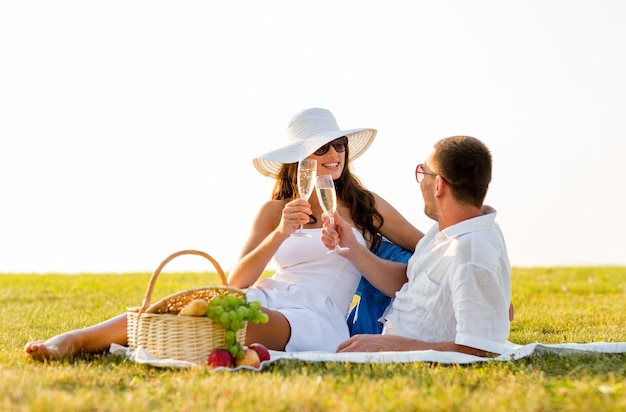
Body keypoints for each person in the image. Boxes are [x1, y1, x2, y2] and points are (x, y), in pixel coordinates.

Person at [24, 107, 423, 360]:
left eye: (337, 145)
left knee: (221, 322)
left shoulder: (365, 205)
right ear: (299, 160)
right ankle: (75, 339)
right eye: (321, 148)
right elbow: (236, 281)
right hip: (267, 293)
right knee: (188, 305)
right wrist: (280, 233)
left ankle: (99, 341)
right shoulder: (275, 210)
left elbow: (424, 247)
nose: (333, 154)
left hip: (318, 315)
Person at [322, 135, 512, 357]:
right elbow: (408, 280)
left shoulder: (470, 253)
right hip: (383, 330)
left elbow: (482, 349)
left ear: (439, 184)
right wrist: (352, 248)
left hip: (392, 348)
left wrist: (390, 346)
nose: (421, 181)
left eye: (423, 173)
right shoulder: (448, 229)